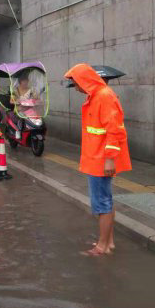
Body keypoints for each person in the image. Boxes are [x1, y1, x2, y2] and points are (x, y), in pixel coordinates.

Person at [64, 63, 132, 256]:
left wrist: (109, 159)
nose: (74, 87)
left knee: (102, 203)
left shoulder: (104, 96)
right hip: (97, 158)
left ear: (83, 80)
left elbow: (114, 130)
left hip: (101, 160)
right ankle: (108, 243)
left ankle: (102, 247)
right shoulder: (96, 96)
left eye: (75, 82)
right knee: (105, 201)